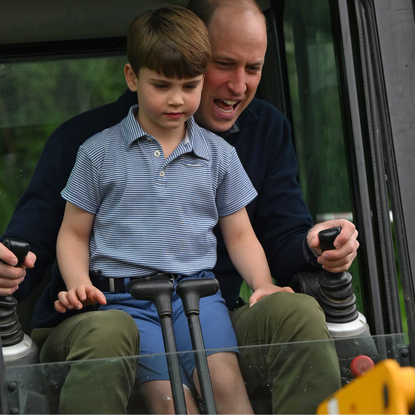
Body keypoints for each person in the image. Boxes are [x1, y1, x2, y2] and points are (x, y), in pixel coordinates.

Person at [0, 0, 359, 413]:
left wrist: (310, 247)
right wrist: (14, 265)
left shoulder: (245, 141)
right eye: (225, 64)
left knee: (292, 318)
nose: (239, 86)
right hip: (114, 308)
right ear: (136, 78)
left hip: (204, 303)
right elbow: (47, 237)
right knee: (148, 374)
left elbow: (263, 234)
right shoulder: (90, 146)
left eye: (254, 68)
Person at [54, 5, 279, 414]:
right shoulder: (97, 153)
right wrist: (77, 284)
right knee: (171, 402)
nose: (177, 100)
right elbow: (73, 233)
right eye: (161, 85)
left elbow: (241, 233)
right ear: (131, 78)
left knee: (226, 386)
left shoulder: (219, 155)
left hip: (199, 295)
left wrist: (262, 283)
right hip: (126, 302)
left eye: (190, 86)